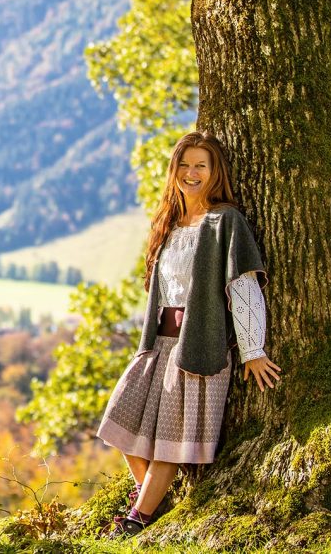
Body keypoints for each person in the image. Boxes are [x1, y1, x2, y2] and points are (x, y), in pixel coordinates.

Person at [96, 130, 283, 538]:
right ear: (174, 170)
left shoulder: (224, 221)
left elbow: (243, 286)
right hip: (158, 345)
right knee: (120, 424)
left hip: (199, 344)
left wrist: (253, 349)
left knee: (168, 441)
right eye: (185, 164)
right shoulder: (169, 224)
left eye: (202, 164)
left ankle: (137, 520)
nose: (192, 172)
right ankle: (153, 499)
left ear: (215, 172)